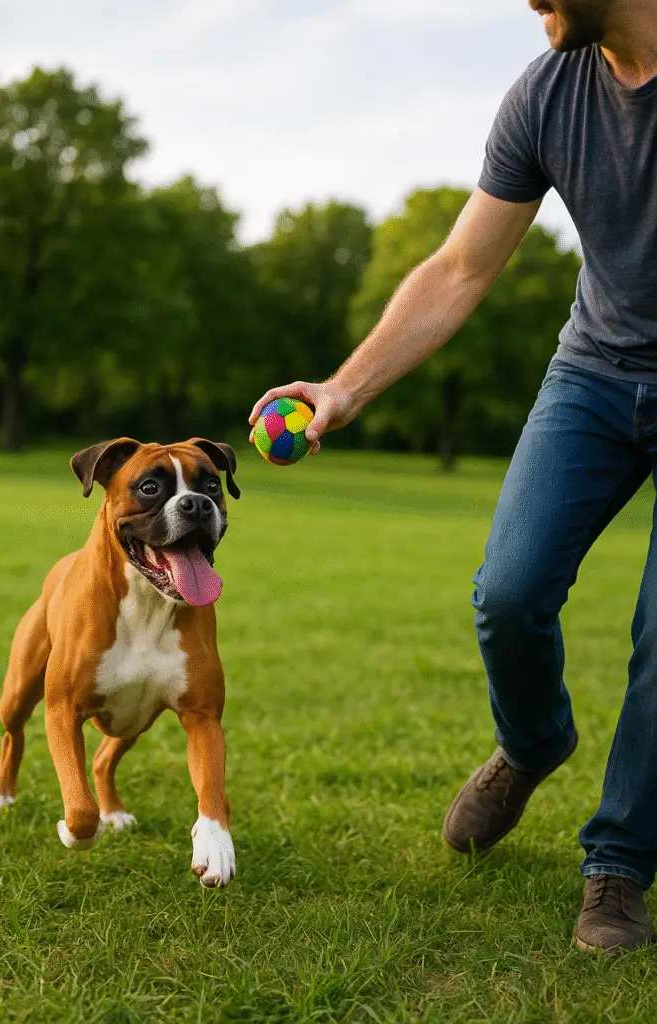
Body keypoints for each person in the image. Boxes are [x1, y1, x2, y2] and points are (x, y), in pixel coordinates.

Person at [249, 0, 657, 953]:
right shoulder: (547, 93)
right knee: (508, 593)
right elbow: (462, 267)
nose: (525, 0)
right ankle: (530, 743)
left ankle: (618, 866)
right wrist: (344, 390)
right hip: (594, 373)